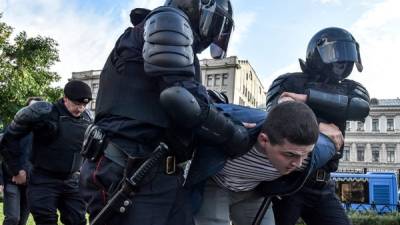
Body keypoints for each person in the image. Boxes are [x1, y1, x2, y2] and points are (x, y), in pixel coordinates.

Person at [79, 1, 247, 225]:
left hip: (158, 171)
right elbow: (183, 100)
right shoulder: (168, 20)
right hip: (130, 169)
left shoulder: (158, 36)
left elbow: (183, 92)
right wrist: (234, 134)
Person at [266, 27, 370, 225]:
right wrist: (317, 126)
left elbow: (360, 107)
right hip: (289, 181)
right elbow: (275, 115)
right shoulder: (289, 81)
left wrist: (306, 98)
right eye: (337, 54)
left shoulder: (350, 88)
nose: (342, 62)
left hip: (323, 185)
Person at [189, 100, 342, 225]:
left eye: (305, 154)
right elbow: (197, 108)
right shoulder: (235, 131)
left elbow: (330, 143)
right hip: (216, 185)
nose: (297, 163)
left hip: (252, 193)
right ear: (263, 140)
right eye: (289, 154)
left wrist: (321, 125)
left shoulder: (312, 154)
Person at [0, 80, 93, 225]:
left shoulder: (88, 118)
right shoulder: (43, 112)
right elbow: (9, 139)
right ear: (65, 98)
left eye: (84, 105)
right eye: (76, 104)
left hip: (72, 181)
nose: (80, 108)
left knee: (77, 221)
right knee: (46, 221)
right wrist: (16, 170)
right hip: (43, 180)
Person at [0, 97, 42, 225]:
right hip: (12, 179)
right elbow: (4, 154)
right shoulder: (12, 129)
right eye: (31, 108)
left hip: (32, 183)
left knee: (22, 221)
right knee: (13, 218)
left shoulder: (45, 132)